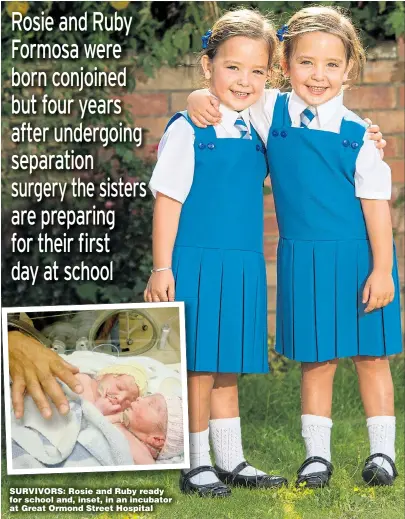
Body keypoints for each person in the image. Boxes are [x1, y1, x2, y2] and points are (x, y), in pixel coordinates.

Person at [188, 6, 401, 489]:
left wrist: (384, 270)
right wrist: (198, 92)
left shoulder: (358, 136)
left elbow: (377, 209)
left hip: (361, 259)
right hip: (303, 259)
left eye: (331, 65)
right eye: (306, 62)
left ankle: (382, 454)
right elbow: (225, 98)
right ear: (285, 64)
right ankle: (317, 457)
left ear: (349, 68)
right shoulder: (271, 109)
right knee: (317, 358)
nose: (318, 75)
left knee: (372, 357)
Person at [144, 9, 290, 498]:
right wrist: (162, 266)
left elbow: (311, 106)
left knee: (228, 363)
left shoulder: (259, 126)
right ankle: (194, 461)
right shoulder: (189, 129)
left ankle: (231, 460)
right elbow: (168, 200)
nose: (244, 81)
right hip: (196, 262)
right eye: (232, 68)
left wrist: (370, 137)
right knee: (199, 366)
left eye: (256, 71)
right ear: (207, 66)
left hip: (243, 263)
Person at [107, 394, 184, 465]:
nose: (139, 398)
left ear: (157, 440)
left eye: (150, 404)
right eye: (146, 397)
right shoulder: (123, 426)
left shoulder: (143, 457)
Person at [76, 363, 148, 415]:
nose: (120, 398)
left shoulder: (113, 417)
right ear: (104, 375)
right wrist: (96, 412)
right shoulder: (81, 381)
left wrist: (100, 413)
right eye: (120, 387)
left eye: (127, 401)